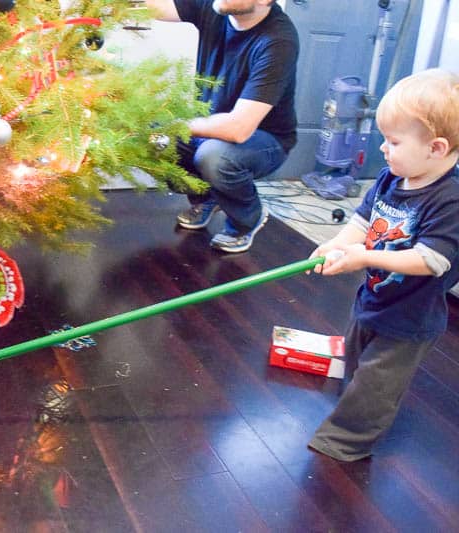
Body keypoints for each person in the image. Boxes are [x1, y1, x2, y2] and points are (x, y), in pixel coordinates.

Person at [308, 69, 459, 462]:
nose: (383, 150)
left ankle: (345, 441)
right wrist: (336, 245)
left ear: (437, 148)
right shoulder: (392, 179)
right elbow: (361, 222)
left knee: (377, 383)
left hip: (411, 317)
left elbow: (430, 260)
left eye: (393, 142)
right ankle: (349, 410)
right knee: (356, 363)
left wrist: (364, 257)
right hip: (373, 298)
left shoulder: (449, 201)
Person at [146, 0, 299, 253]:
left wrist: (175, 125)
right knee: (149, 137)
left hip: (264, 140)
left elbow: (238, 128)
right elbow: (152, 6)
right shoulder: (217, 5)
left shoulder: (278, 40)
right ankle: (205, 198)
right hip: (212, 129)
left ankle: (246, 221)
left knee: (214, 156)